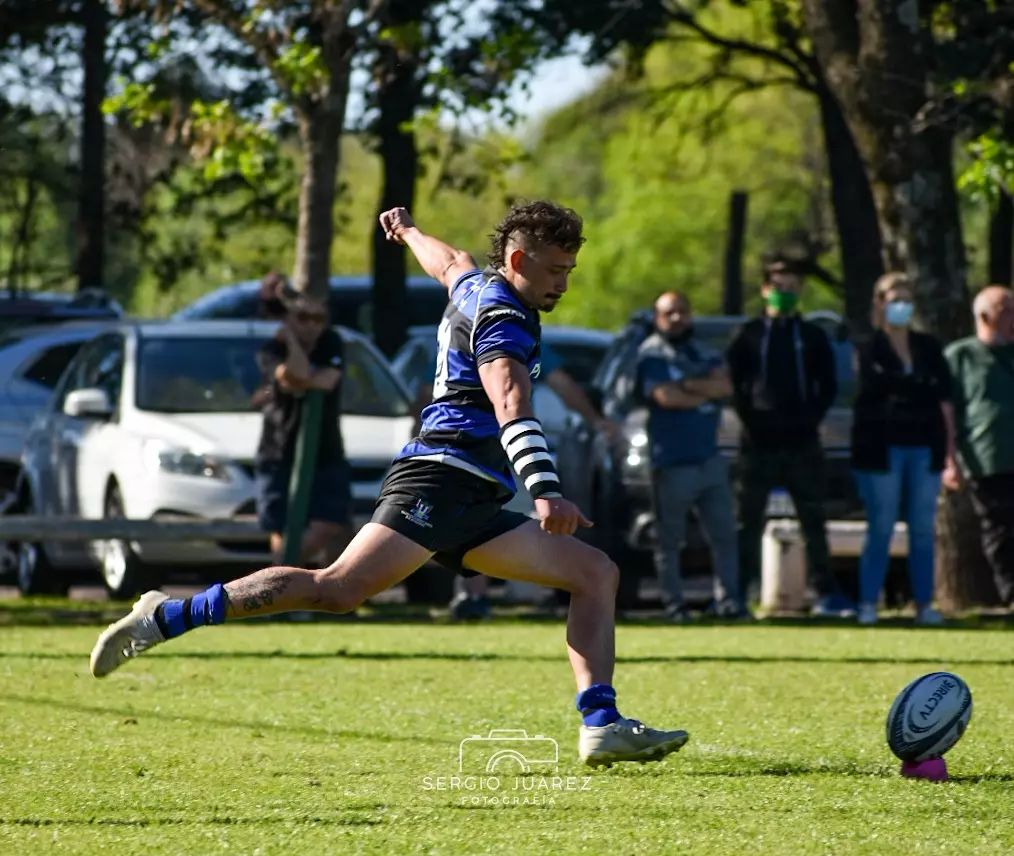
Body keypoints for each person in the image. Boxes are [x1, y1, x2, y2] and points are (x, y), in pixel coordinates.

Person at [90, 200, 689, 768]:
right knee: (336, 589)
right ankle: (167, 616)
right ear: (516, 260)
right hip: (439, 480)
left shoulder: (476, 285)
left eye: (569, 270)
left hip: (473, 496)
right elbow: (511, 401)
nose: (563, 283)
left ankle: (601, 723)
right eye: (555, 270)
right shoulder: (504, 319)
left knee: (594, 573)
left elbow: (448, 261)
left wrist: (408, 232)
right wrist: (545, 490)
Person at [446, 337, 620, 621]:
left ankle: (480, 596)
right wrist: (595, 419)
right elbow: (562, 384)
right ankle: (518, 593)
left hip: (477, 448)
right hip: (495, 446)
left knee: (477, 519)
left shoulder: (459, 332)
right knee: (503, 518)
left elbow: (426, 394)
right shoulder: (512, 330)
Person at [726, 256, 846, 616]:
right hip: (757, 443)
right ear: (765, 290)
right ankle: (740, 594)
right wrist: (751, 420)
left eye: (792, 287)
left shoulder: (811, 336)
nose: (785, 293)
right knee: (748, 521)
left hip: (802, 442)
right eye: (779, 287)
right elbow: (734, 385)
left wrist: (809, 420)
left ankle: (825, 593)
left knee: (813, 518)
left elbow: (828, 386)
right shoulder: (748, 335)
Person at [636, 290, 746, 621]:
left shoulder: (704, 351)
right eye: (668, 313)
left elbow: (725, 387)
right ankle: (675, 605)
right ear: (657, 318)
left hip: (709, 459)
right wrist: (702, 390)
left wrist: (685, 386)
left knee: (725, 535)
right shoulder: (651, 354)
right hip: (672, 462)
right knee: (670, 541)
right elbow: (666, 397)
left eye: (682, 311)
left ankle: (729, 603)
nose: (676, 318)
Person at [850, 273, 953, 625]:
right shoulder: (868, 347)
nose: (902, 307)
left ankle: (924, 604)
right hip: (881, 449)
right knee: (881, 526)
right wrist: (913, 386)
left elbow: (943, 396)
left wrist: (949, 451)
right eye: (895, 300)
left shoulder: (928, 347)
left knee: (922, 528)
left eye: (907, 300)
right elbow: (873, 390)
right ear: (880, 304)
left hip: (924, 447)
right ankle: (868, 602)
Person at [254, 290, 353, 565]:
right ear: (288, 319)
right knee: (282, 529)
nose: (311, 325)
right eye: (303, 317)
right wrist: (291, 342)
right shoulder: (271, 350)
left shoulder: (331, 343)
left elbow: (325, 382)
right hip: (278, 450)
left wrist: (299, 380)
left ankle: (278, 576)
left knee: (328, 525)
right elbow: (297, 373)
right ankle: (283, 583)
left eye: (318, 319)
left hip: (325, 452)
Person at [943, 285, 1014, 611]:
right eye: (1006, 311)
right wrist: (950, 460)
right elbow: (947, 411)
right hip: (987, 458)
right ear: (985, 317)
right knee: (1000, 529)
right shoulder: (961, 356)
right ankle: (1010, 593)